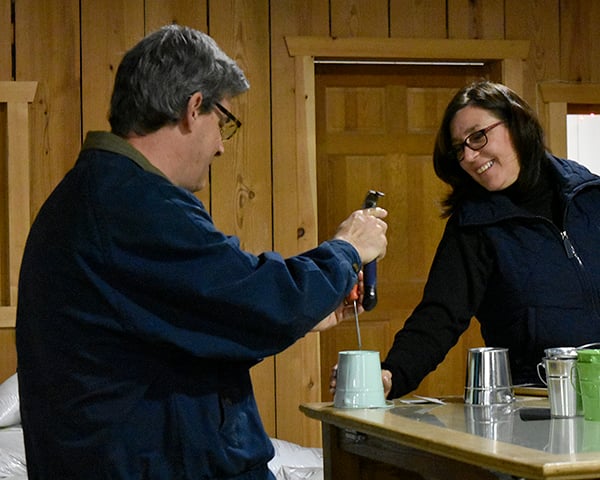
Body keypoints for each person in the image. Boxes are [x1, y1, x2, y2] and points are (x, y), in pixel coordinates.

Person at [15, 25, 387, 479]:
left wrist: (306, 313)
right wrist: (347, 249)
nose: (221, 145)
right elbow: (254, 298)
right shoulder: (131, 203)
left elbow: (193, 320)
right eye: (224, 122)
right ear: (194, 108)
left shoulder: (102, 195)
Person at [367, 80, 600, 400]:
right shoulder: (474, 225)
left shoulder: (591, 196)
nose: (470, 157)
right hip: (536, 403)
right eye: (459, 149)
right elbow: (439, 317)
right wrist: (391, 375)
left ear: (517, 123)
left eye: (477, 136)